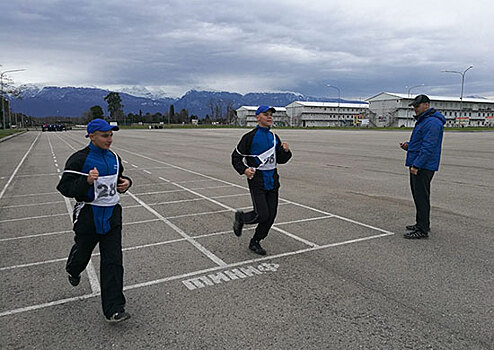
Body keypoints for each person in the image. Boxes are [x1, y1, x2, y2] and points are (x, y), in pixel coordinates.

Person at [57, 119, 132, 323]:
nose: (110, 139)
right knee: (82, 253)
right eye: (104, 135)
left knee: (113, 262)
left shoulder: (114, 157)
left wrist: (126, 184)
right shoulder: (79, 159)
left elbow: (120, 179)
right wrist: (86, 181)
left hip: (112, 217)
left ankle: (114, 308)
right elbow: (64, 187)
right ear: (92, 136)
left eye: (111, 135)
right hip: (88, 217)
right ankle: (73, 268)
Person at [231, 105, 292, 255]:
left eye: (271, 114)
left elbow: (281, 160)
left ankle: (255, 241)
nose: (270, 117)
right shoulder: (249, 137)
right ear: (257, 117)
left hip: (272, 180)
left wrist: (286, 151)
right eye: (266, 114)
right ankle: (241, 218)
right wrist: (244, 170)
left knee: (271, 216)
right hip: (257, 180)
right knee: (262, 214)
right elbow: (236, 158)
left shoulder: (274, 137)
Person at [400, 95, 445, 239]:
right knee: (419, 196)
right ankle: (421, 223)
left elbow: (428, 147)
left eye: (417, 106)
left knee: (421, 197)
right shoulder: (424, 121)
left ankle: (422, 229)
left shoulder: (432, 123)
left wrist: (416, 165)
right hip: (420, 163)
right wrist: (408, 146)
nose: (415, 108)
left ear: (426, 105)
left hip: (423, 166)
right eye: (413, 106)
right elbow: (420, 142)